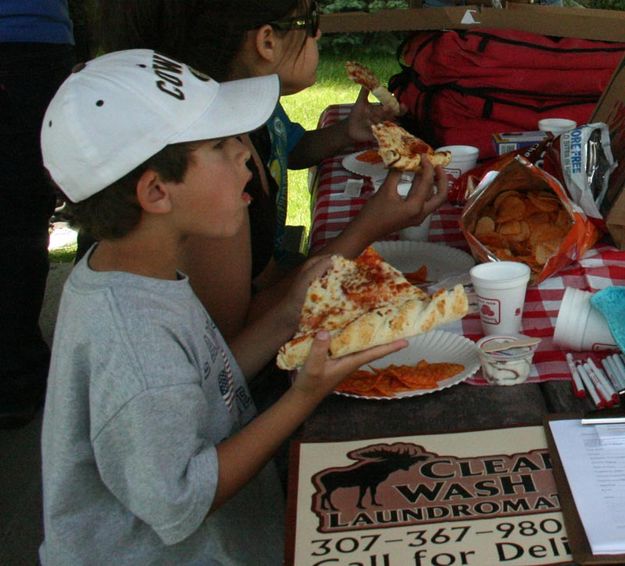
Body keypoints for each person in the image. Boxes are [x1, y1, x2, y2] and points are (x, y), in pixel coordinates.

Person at [39, 49, 408, 564]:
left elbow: (210, 382)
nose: (244, 154)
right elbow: (183, 499)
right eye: (221, 144)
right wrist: (304, 396)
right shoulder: (129, 338)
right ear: (155, 192)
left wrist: (287, 312)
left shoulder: (136, 272)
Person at [97, 0, 449, 339]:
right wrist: (368, 227)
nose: (319, 34)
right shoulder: (206, 165)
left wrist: (343, 134)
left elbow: (285, 153)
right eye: (310, 21)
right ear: (266, 41)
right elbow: (234, 337)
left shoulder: (247, 118)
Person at [0, 0, 75, 428]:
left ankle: (15, 374)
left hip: (32, 44)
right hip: (29, 45)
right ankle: (14, 379)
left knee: (20, 217)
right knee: (20, 219)